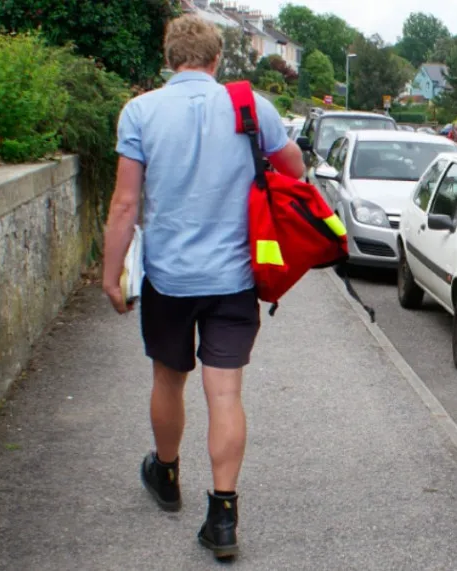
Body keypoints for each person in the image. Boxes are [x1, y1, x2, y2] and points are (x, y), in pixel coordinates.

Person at [102, 13, 305, 559]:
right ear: (217, 60)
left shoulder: (140, 112)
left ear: (169, 59)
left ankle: (166, 477)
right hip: (235, 277)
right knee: (226, 394)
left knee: (169, 381)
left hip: (168, 278)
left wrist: (110, 273)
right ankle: (222, 517)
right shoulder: (250, 106)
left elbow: (124, 203)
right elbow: (295, 170)